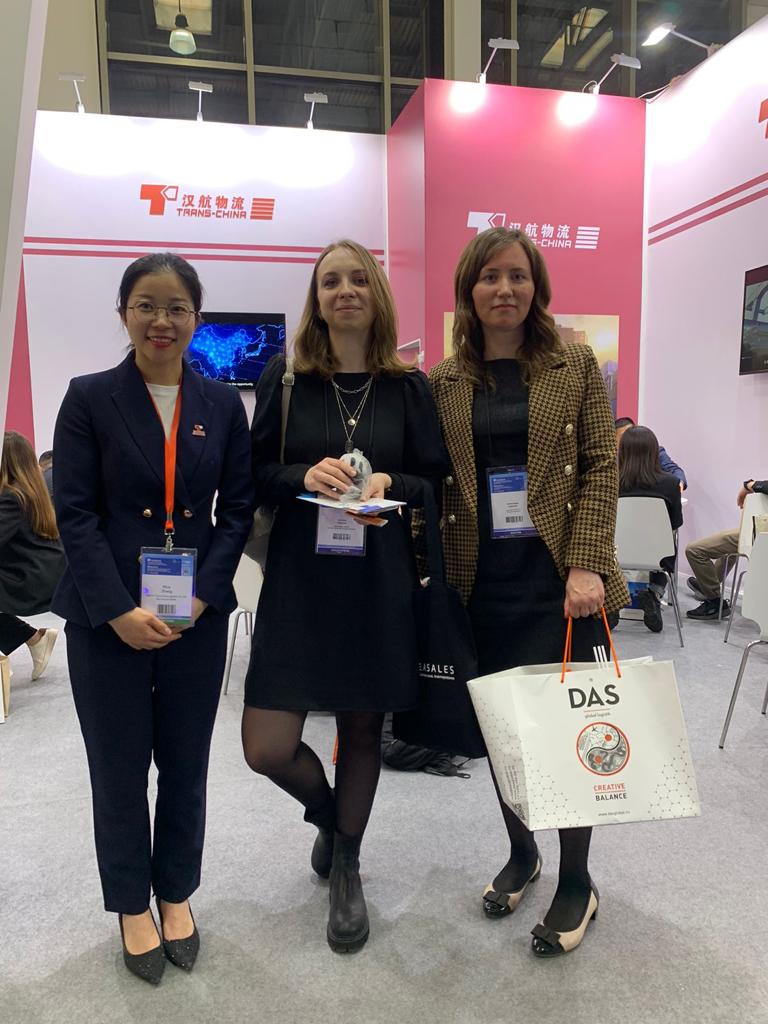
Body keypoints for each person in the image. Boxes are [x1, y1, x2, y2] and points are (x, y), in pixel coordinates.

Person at [426, 226, 628, 958]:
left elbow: (600, 463)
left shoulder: (574, 363)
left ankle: (577, 879)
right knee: (501, 732)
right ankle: (523, 851)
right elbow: (433, 478)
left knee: (567, 733)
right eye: (489, 277)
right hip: (479, 581)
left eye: (516, 275)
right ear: (468, 291)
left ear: (536, 285)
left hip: (559, 583)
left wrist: (586, 563)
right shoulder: (445, 380)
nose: (503, 289)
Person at [52, 253, 253, 984]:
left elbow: (237, 511)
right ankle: (131, 905)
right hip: (106, 618)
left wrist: (202, 595)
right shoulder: (88, 397)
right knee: (118, 768)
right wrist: (115, 609)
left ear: (196, 318)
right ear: (123, 313)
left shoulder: (221, 405)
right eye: (145, 305)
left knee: (186, 764)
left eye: (176, 307)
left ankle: (176, 893)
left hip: (194, 616)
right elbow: (74, 515)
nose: (161, 320)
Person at [242, 239, 448, 954]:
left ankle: (348, 864)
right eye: (331, 281)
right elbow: (252, 474)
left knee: (363, 729)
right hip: (299, 583)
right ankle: (331, 817)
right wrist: (301, 476)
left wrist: (391, 482)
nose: (346, 291)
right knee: (266, 746)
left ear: (377, 294)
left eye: (359, 278)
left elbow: (435, 481)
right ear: (317, 298)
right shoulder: (285, 378)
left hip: (377, 580)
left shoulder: (408, 386)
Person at [0, 431, 65, 682]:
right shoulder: (30, 490)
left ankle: (32, 639)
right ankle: (34, 639)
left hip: (29, 578)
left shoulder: (11, 496)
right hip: (44, 571)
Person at [617, 425, 683, 632]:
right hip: (657, 555)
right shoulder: (671, 483)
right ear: (655, 452)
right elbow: (675, 523)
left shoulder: (611, 482)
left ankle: (613, 597)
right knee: (668, 547)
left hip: (617, 551)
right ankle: (654, 592)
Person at [685, 477, 768, 620]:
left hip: (760, 536)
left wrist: (748, 485)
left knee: (694, 550)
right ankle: (708, 585)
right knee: (729, 546)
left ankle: (714, 601)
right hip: (759, 533)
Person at [615, 416, 687, 489]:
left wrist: (679, 483)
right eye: (624, 436)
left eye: (632, 434)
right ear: (614, 440)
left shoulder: (655, 452)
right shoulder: (612, 457)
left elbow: (674, 470)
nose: (629, 438)